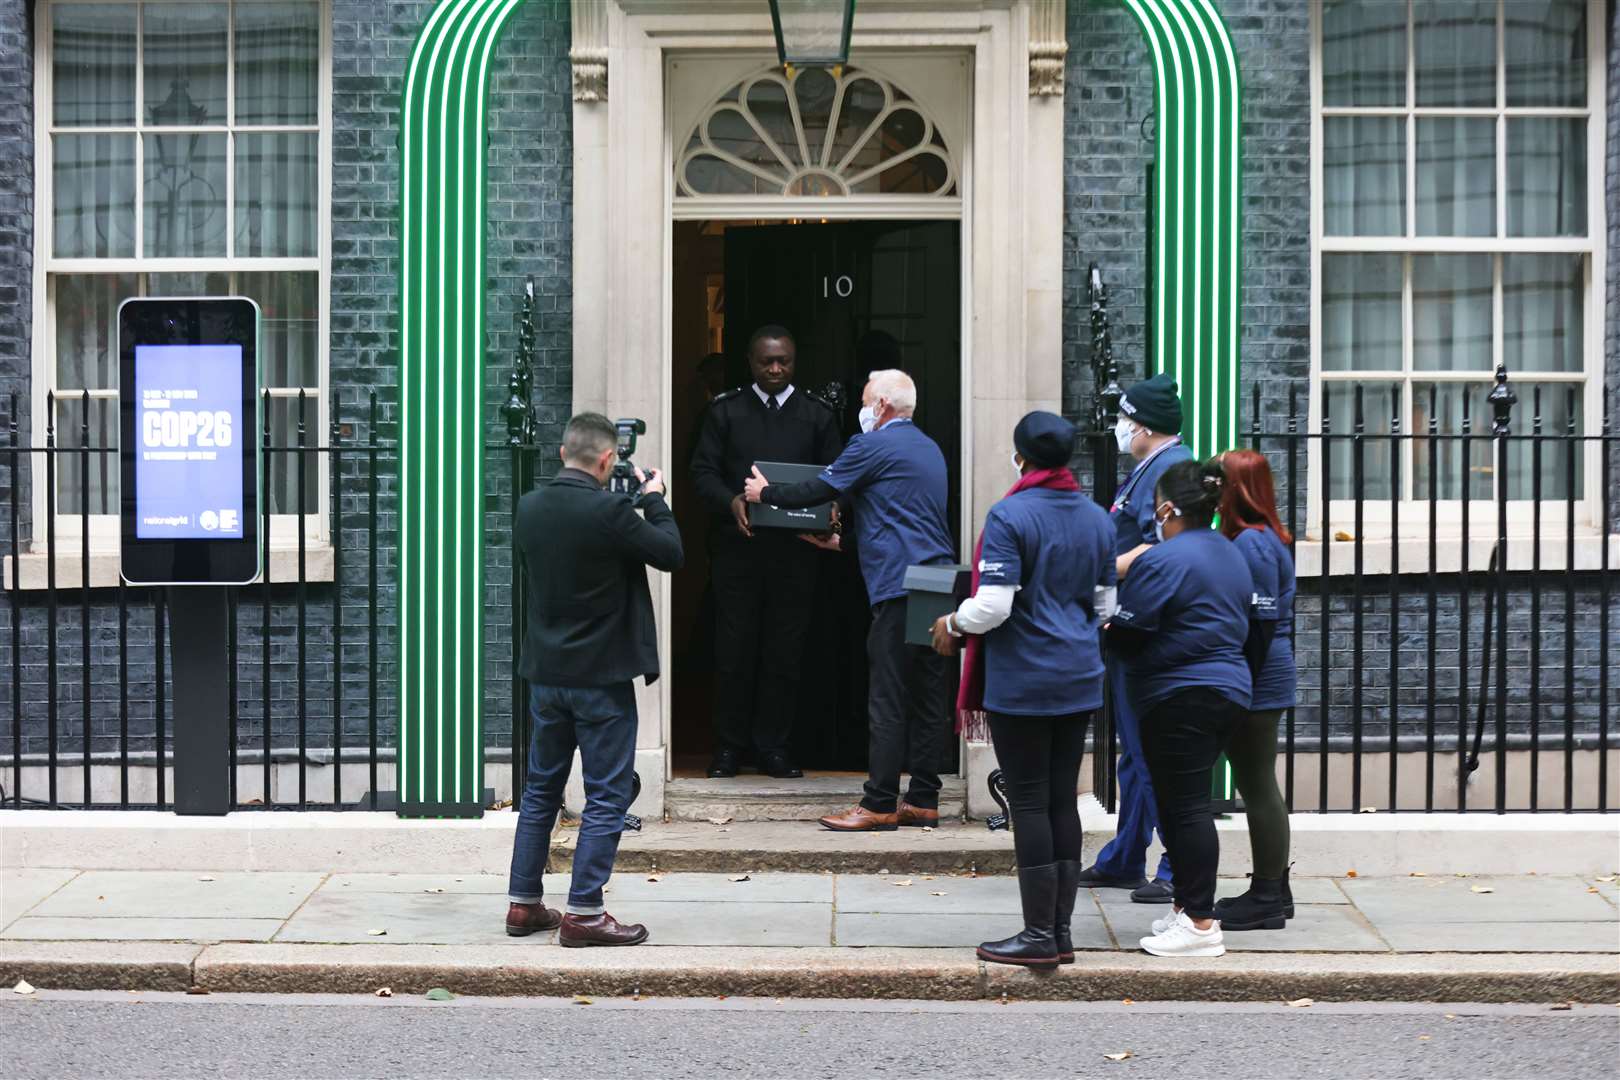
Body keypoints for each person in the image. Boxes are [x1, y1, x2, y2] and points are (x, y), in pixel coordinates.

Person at [928, 411, 1114, 970]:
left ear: (1021, 457)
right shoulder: (1097, 518)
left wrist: (952, 624)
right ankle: (1059, 931)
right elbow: (1106, 607)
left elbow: (995, 605)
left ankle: (1038, 935)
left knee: (1029, 800)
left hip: (1025, 679)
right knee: (1062, 800)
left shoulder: (1010, 515)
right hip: (1080, 676)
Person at [743, 368, 955, 831]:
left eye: (863, 399)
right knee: (926, 697)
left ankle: (878, 802)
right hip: (937, 582)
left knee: (887, 696)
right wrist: (842, 544)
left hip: (898, 585)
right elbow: (905, 519)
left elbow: (819, 488)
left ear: (880, 406)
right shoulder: (929, 448)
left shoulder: (871, 445)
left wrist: (767, 493)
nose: (860, 408)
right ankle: (922, 798)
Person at [505, 413, 684, 947]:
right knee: (606, 795)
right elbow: (671, 553)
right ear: (607, 460)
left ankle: (523, 904)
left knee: (541, 790)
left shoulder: (529, 507)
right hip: (600, 679)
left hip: (546, 675)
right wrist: (653, 496)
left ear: (564, 453)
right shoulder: (612, 511)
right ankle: (584, 912)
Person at [1103, 459, 1254, 958]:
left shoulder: (1163, 560)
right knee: (1182, 804)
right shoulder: (1228, 552)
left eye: (1155, 510)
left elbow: (1129, 631)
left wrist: (1104, 630)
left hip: (1179, 694)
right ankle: (1186, 909)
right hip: (1226, 689)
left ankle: (1200, 924)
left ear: (1168, 508)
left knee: (1185, 809)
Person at [690, 326, 843, 779]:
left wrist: (832, 511)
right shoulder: (725, 411)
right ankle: (728, 749)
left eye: (784, 362)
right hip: (739, 552)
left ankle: (774, 748)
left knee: (785, 652)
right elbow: (701, 472)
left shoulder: (817, 415)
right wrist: (729, 501)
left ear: (794, 361)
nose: (775, 369)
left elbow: (841, 475)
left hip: (796, 554)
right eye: (766, 362)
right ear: (751, 362)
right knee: (733, 651)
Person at [1079, 373, 1194, 905]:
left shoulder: (1170, 468)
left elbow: (1161, 547)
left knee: (1151, 752)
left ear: (1143, 425)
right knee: (1133, 752)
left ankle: (1175, 866)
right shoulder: (1153, 467)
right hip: (1128, 621)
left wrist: (1110, 565)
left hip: (1147, 626)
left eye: (1124, 420)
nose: (1120, 429)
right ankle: (1125, 857)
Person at [1212, 448, 1297, 931]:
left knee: (1258, 785)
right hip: (1257, 674)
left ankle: (1267, 894)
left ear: (1237, 488)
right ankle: (1273, 890)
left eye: (1218, 480)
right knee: (1256, 782)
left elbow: (1259, 625)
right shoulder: (1255, 539)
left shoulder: (1254, 545)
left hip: (1258, 678)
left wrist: (1236, 684)